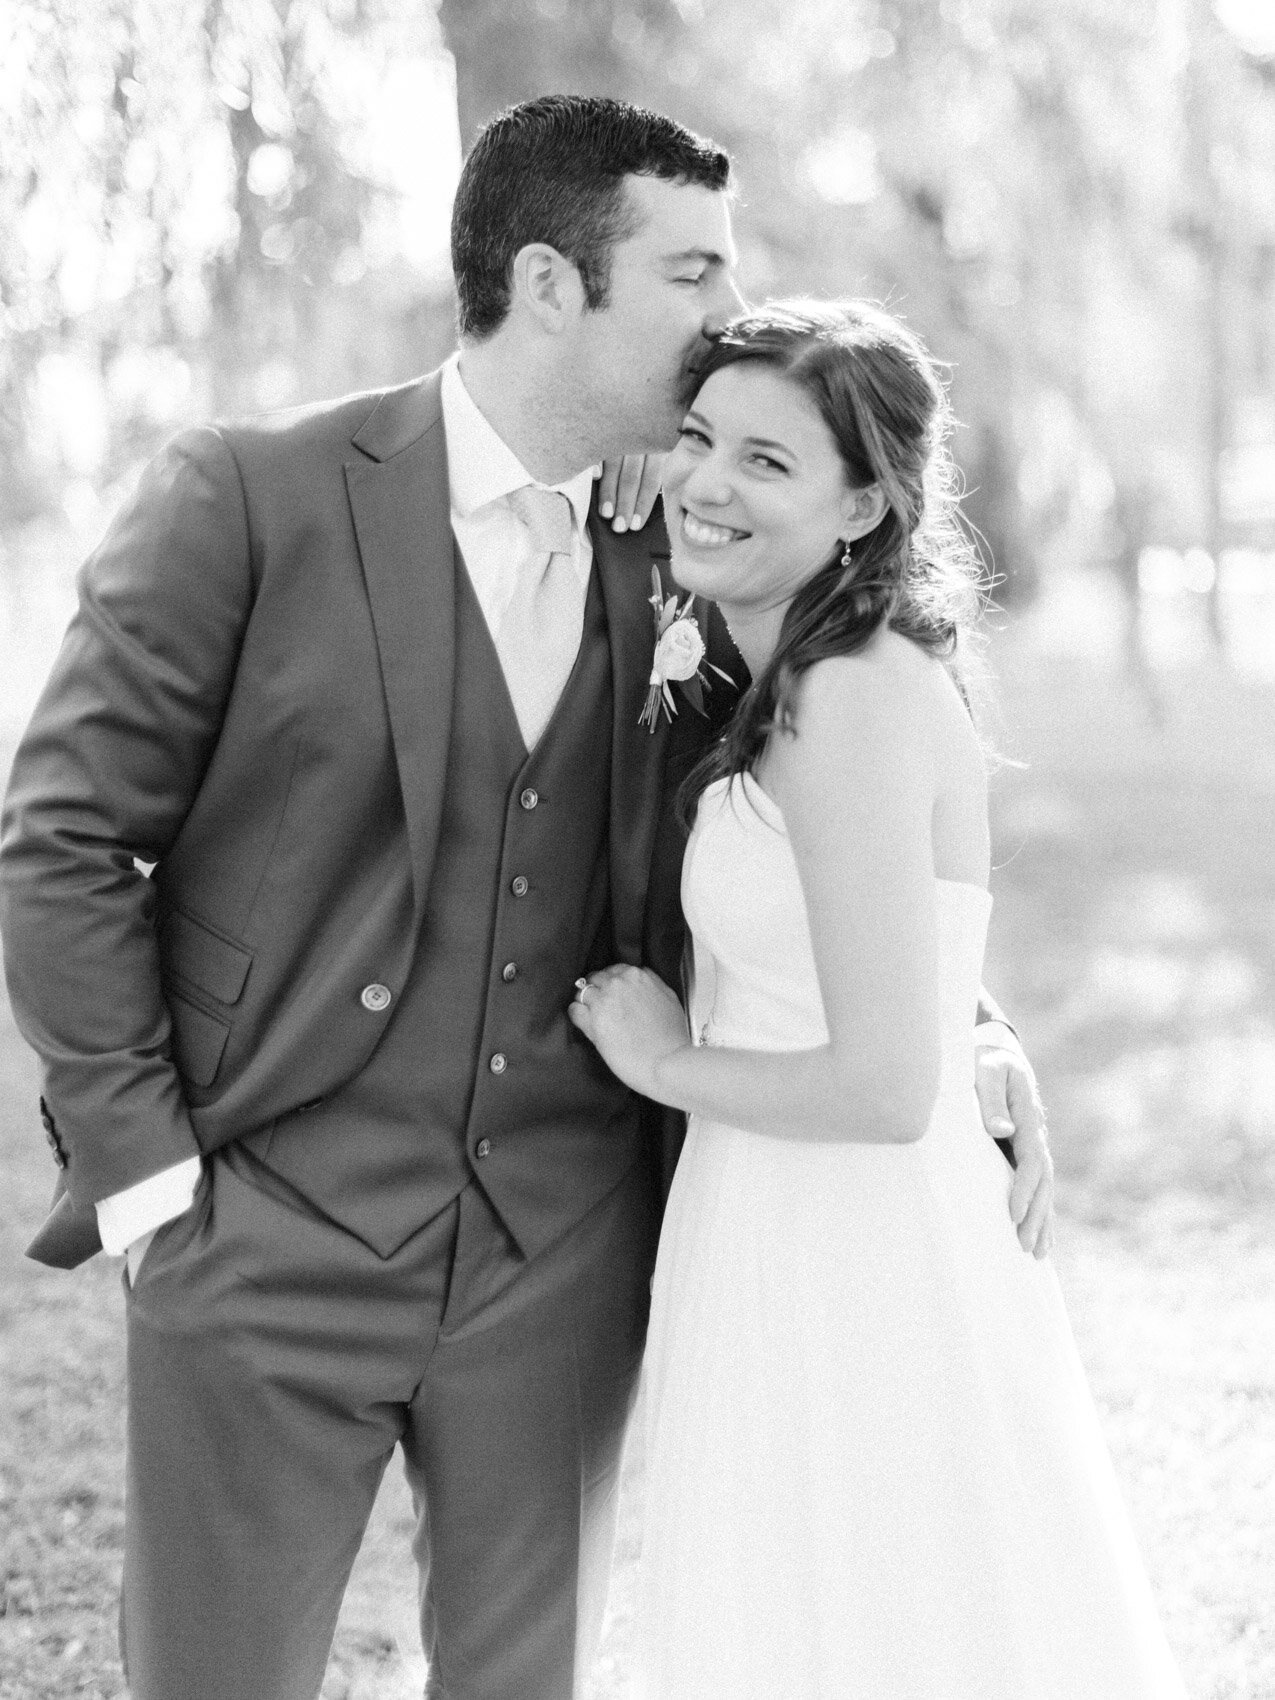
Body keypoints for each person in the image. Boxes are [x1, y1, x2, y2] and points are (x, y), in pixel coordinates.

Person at [0, 97, 1048, 1700]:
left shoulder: (693, 545)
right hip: (263, 1237)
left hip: (563, 1260)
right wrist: (150, 1191)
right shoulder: (249, 495)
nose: (728, 317)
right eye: (692, 273)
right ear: (553, 285)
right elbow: (61, 843)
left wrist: (967, 1021)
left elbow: (800, 826)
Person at [569, 300, 1187, 1699]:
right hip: (788, 1211)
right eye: (699, 439)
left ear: (863, 504)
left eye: (768, 463)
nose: (710, 482)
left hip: (852, 1234)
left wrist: (661, 1058)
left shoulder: (847, 694)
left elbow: (878, 1082)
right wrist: (983, 1024)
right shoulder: (791, 669)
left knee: (887, 1615)